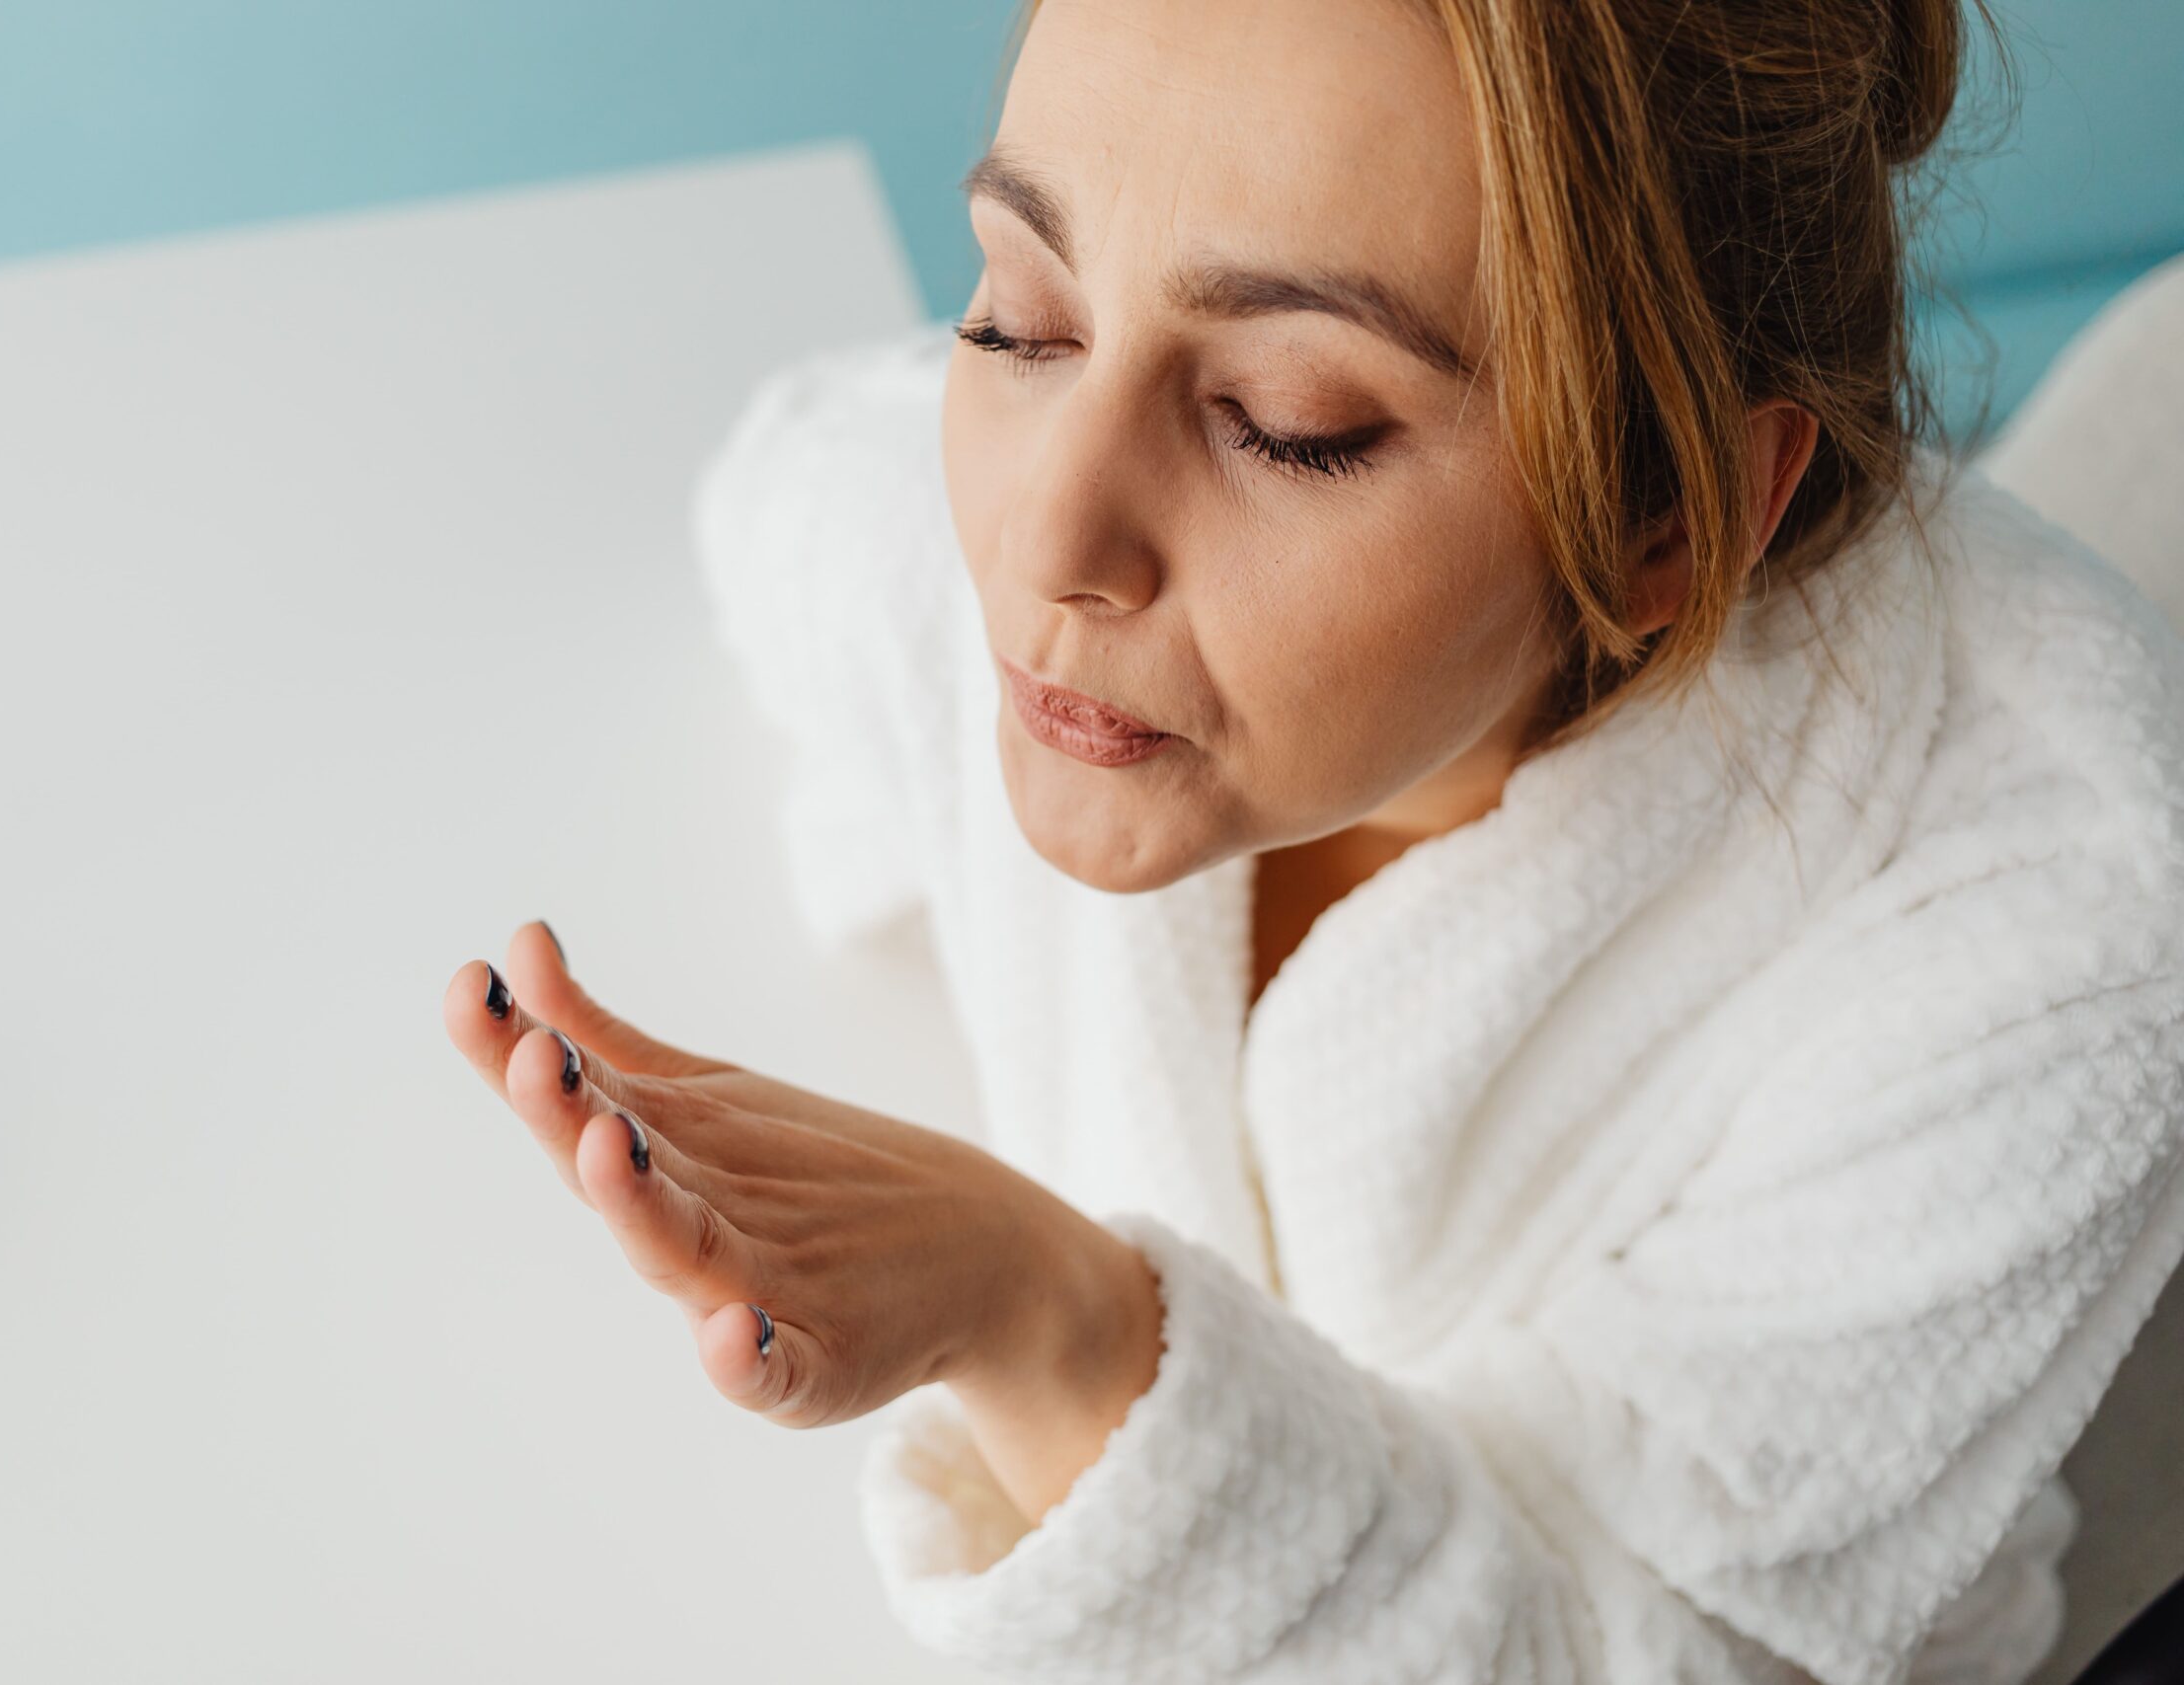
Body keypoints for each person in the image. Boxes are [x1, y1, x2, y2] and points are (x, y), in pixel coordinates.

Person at [440, 0, 2184, 1679]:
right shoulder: (980, 515)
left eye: (1288, 424)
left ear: (1670, 517)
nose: (1047, 536)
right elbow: (790, 492)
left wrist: (1055, 1322)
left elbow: (1658, 1649)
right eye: (1017, 313)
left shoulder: (2046, 928)